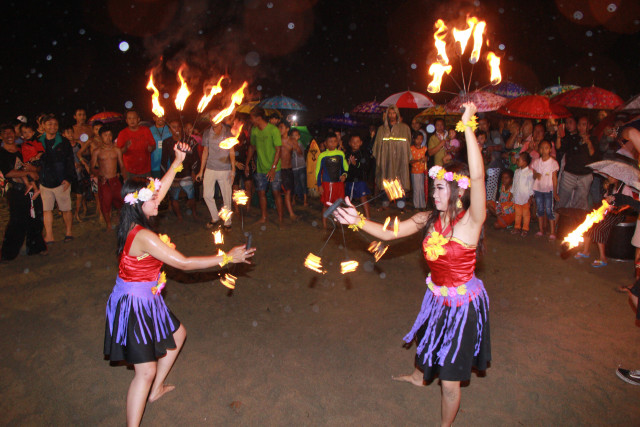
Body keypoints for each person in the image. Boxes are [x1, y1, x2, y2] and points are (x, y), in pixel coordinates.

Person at [333, 102, 489, 427]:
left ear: (459, 192)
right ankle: (419, 377)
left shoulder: (470, 223)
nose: (434, 192)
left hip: (462, 306)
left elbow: (477, 174)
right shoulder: (427, 219)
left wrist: (468, 127)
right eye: (435, 187)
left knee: (449, 382)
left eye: (441, 188)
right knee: (427, 338)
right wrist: (356, 219)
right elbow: (391, 234)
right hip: (436, 297)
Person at [103, 142, 254, 426]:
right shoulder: (143, 236)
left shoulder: (134, 220)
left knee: (178, 335)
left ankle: (156, 390)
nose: (158, 201)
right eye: (153, 199)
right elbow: (183, 263)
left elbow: (159, 189)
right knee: (143, 372)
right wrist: (226, 258)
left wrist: (177, 161)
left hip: (146, 296)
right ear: (138, 203)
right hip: (135, 304)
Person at [0, 124, 47, 260]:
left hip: (32, 188)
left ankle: (35, 247)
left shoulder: (23, 148)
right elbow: (7, 172)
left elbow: (37, 164)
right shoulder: (2, 153)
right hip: (16, 191)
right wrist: (28, 172)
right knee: (17, 221)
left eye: (11, 132)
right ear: (1, 136)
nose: (9, 136)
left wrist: (34, 170)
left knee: (36, 218)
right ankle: (8, 253)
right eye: (5, 133)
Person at [574, 175, 634, 267]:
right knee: (589, 223)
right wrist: (607, 201)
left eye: (611, 177)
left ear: (617, 177)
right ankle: (586, 251)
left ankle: (603, 258)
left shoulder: (625, 188)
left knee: (599, 229)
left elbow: (629, 204)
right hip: (608, 212)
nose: (609, 178)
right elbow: (605, 200)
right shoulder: (611, 187)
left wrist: (618, 208)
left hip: (619, 214)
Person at [38, 114, 76, 244]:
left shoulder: (64, 142)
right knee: (46, 210)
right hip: (45, 181)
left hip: (61, 181)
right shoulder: (38, 142)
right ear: (43, 126)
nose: (52, 127)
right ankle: (49, 235)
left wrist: (69, 179)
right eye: (49, 124)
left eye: (55, 124)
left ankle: (69, 232)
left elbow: (70, 161)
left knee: (66, 208)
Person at [196, 114, 235, 229]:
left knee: (226, 196)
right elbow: (205, 152)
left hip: (225, 169)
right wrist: (201, 171)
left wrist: (233, 170)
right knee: (207, 195)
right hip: (210, 168)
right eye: (211, 117)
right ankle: (215, 217)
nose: (213, 119)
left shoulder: (228, 131)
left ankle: (227, 222)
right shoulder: (207, 133)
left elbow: (231, 151)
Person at [246, 107, 283, 225]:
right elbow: (252, 147)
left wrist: (273, 169)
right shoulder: (255, 131)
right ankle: (264, 217)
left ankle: (280, 219)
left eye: (252, 118)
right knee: (261, 193)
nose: (251, 120)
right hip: (261, 168)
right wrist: (247, 163)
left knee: (276, 193)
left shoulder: (273, 130)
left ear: (258, 118)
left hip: (274, 168)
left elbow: (278, 150)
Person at [372, 104, 411, 207]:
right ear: (387, 115)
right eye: (390, 113)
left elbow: (408, 144)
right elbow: (377, 145)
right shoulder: (381, 129)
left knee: (399, 179)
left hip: (399, 160)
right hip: (386, 159)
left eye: (394, 113)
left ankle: (400, 203)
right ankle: (385, 202)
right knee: (386, 177)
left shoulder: (404, 128)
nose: (392, 115)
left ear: (397, 114)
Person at [161, 120, 199, 221]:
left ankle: (194, 213)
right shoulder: (167, 142)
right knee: (174, 197)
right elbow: (164, 160)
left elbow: (195, 157)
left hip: (186, 172)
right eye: (173, 127)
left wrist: (194, 172)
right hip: (174, 173)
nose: (177, 129)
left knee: (191, 196)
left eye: (178, 127)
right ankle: (179, 216)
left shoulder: (189, 140)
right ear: (169, 129)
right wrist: (164, 176)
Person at [556, 117, 597, 211]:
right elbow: (559, 148)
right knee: (561, 201)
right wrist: (558, 137)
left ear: (590, 126)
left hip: (585, 175)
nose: (581, 127)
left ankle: (577, 224)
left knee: (580, 203)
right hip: (569, 174)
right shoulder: (573, 138)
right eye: (579, 124)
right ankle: (555, 224)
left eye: (584, 124)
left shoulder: (593, 139)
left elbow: (594, 155)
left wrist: (589, 143)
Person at [91, 127, 127, 230]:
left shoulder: (116, 150)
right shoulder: (97, 151)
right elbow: (92, 167)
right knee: (105, 203)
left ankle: (120, 220)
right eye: (105, 135)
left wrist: (125, 179)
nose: (108, 137)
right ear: (101, 136)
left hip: (115, 180)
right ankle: (108, 224)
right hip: (104, 181)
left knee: (121, 201)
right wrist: (99, 174)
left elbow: (122, 165)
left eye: (110, 135)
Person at [316, 134, 348, 228]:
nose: (333, 143)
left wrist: (344, 175)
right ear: (325, 143)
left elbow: (345, 168)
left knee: (338, 204)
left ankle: (338, 221)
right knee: (326, 204)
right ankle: (325, 224)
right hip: (327, 184)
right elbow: (318, 171)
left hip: (338, 184)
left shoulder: (340, 154)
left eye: (335, 141)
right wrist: (319, 185)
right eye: (330, 141)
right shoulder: (322, 155)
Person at [531, 140, 559, 240]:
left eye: (546, 148)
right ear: (539, 149)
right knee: (540, 209)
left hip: (548, 190)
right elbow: (533, 174)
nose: (544, 150)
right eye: (542, 148)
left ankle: (552, 231)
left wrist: (555, 191)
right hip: (538, 189)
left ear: (550, 149)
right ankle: (541, 230)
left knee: (549, 210)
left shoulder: (553, 163)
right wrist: (536, 175)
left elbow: (554, 178)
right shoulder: (536, 162)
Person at [116, 110, 156, 178]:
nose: (132, 120)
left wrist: (151, 148)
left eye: (134, 118)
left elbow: (153, 145)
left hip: (145, 170)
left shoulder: (146, 130)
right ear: (126, 120)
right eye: (129, 118)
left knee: (148, 188)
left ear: (138, 119)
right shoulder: (122, 133)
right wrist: (125, 147)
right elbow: (119, 152)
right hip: (129, 171)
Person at [278, 121, 301, 220]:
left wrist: (294, 147)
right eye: (279, 127)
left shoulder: (292, 140)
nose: (280, 130)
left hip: (289, 169)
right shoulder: (277, 140)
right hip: (280, 169)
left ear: (287, 129)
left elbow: (300, 153)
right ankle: (289, 213)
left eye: (282, 127)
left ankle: (288, 213)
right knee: (283, 192)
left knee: (288, 191)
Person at [344, 134, 371, 218]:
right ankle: (348, 217)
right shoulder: (347, 153)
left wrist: (356, 164)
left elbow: (366, 166)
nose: (355, 144)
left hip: (360, 180)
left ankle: (368, 217)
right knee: (348, 199)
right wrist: (347, 164)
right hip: (350, 180)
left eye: (357, 142)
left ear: (361, 143)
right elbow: (344, 167)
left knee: (363, 198)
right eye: (353, 142)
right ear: (349, 143)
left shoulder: (363, 153)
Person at [510, 152, 534, 237]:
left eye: (518, 160)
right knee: (518, 213)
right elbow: (514, 183)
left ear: (525, 162)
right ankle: (517, 227)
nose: (516, 161)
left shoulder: (529, 173)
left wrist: (531, 196)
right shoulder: (517, 172)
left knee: (526, 214)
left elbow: (531, 185)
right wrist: (512, 193)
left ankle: (525, 228)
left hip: (525, 197)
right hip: (517, 196)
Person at [289, 128, 307, 207]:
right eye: (292, 135)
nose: (294, 137)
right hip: (293, 168)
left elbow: (300, 153)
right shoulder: (289, 144)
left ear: (299, 137)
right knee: (294, 184)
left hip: (301, 167)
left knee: (303, 183)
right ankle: (293, 199)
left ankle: (305, 200)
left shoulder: (300, 144)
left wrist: (296, 146)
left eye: (296, 135)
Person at [410, 131, 427, 210]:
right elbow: (410, 161)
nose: (419, 141)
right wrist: (418, 160)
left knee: (422, 188)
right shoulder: (411, 149)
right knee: (416, 189)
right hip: (415, 171)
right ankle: (416, 205)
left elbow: (427, 158)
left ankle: (422, 205)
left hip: (423, 171)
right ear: (414, 139)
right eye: (417, 139)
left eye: (421, 139)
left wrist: (425, 159)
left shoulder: (424, 148)